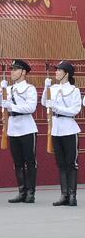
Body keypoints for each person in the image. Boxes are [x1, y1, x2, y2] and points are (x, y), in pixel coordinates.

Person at [0, 59, 38, 204]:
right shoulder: (9, 89)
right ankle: (22, 191)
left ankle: (31, 193)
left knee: (30, 161)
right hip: (13, 128)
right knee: (18, 162)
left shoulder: (30, 88)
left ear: (23, 72)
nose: (12, 72)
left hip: (26, 127)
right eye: (12, 69)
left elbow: (31, 107)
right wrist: (1, 90)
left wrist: (12, 106)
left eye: (15, 69)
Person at [44, 61, 81, 207]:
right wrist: (46, 88)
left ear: (66, 74)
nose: (56, 72)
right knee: (61, 164)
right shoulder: (53, 88)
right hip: (56, 128)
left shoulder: (74, 90)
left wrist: (57, 108)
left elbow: (75, 110)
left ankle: (72, 196)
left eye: (59, 70)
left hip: (69, 129)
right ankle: (64, 195)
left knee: (71, 163)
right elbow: (44, 103)